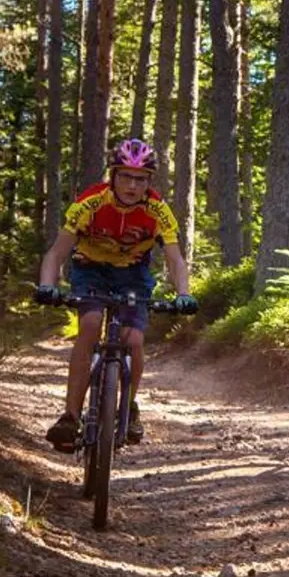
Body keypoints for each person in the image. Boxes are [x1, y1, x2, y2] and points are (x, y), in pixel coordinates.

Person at [32, 139, 197, 451]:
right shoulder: (90, 203)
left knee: (133, 340)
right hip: (89, 268)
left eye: (140, 179)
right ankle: (70, 415)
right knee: (91, 323)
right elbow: (57, 252)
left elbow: (175, 258)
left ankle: (129, 406)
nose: (132, 186)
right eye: (125, 177)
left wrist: (184, 293)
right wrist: (47, 286)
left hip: (132, 274)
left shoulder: (158, 211)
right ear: (113, 176)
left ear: (149, 182)